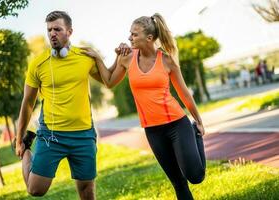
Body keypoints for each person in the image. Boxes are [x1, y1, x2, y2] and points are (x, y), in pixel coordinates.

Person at [83, 13, 206, 200]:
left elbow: (184, 93)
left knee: (195, 177)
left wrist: (198, 121)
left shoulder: (166, 60)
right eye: (129, 33)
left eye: (134, 34)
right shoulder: (127, 59)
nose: (129, 37)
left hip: (177, 124)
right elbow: (108, 81)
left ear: (149, 38)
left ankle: (195, 135)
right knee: (178, 183)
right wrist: (100, 58)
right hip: (152, 130)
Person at [15, 11, 129, 199]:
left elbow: (109, 80)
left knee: (87, 190)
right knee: (35, 190)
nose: (52, 33)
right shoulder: (38, 64)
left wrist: (118, 57)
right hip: (52, 135)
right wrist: (19, 139)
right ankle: (28, 148)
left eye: (57, 29)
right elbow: (27, 102)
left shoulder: (85, 57)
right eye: (49, 30)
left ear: (69, 31)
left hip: (83, 135)